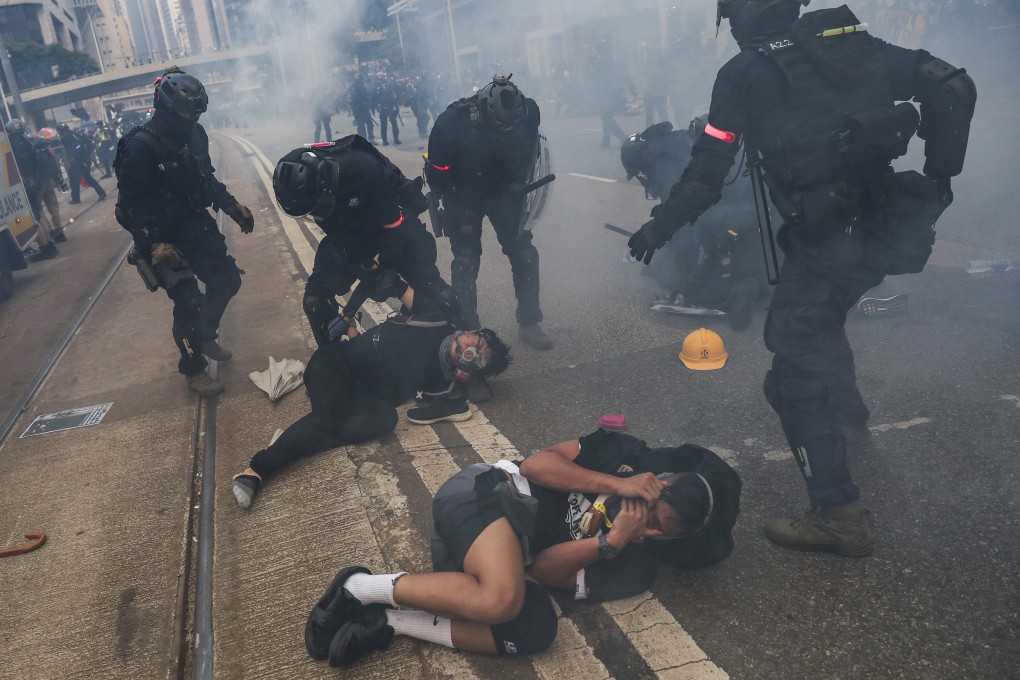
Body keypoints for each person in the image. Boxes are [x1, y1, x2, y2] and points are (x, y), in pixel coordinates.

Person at [626, 0, 975, 556]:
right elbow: (953, 87)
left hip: (826, 237)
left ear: (745, 14)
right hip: (884, 226)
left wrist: (657, 227)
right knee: (822, 320)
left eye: (733, 16)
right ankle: (852, 424)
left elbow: (707, 173)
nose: (733, 29)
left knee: (792, 365)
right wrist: (939, 180)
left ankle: (838, 514)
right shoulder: (850, 44)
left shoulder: (744, 73)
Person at [303, 427, 740, 667]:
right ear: (658, 483)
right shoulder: (625, 455)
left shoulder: (639, 566)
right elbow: (536, 464)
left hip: (485, 566)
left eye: (666, 534)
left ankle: (392, 622)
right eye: (654, 514)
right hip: (486, 498)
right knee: (501, 598)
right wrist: (617, 483)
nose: (651, 531)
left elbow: (548, 572)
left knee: (533, 628)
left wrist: (610, 542)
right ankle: (357, 588)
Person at [229, 284, 511, 509]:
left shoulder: (443, 381)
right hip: (335, 365)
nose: (470, 351)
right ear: (471, 331)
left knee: (385, 420)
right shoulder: (434, 317)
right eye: (477, 342)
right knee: (329, 419)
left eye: (478, 359)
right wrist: (353, 313)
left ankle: (296, 439)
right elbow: (392, 282)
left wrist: (469, 377)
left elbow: (474, 396)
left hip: (362, 398)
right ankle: (256, 470)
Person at [114, 66, 255, 397]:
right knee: (189, 302)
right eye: (186, 115)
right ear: (164, 108)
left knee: (227, 279)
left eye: (196, 115)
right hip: (161, 236)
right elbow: (129, 207)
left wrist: (232, 206)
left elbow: (206, 178)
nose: (191, 121)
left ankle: (206, 335)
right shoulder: (139, 147)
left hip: (195, 223)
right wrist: (153, 243)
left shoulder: (195, 133)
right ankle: (193, 367)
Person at [273, 134, 460, 348]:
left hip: (392, 222)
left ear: (325, 182)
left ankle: (464, 336)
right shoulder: (306, 187)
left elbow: (394, 231)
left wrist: (388, 277)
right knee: (315, 301)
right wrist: (361, 265)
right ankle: (338, 363)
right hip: (351, 230)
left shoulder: (363, 169)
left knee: (436, 292)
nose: (316, 212)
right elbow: (337, 234)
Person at [426, 74, 553, 350]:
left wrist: (519, 187)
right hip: (463, 197)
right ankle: (467, 332)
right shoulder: (452, 123)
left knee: (525, 254)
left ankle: (530, 323)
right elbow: (435, 174)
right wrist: (449, 202)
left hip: (505, 193)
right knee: (466, 261)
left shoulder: (529, 112)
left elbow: (534, 153)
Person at [621, 118, 764, 330]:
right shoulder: (674, 142)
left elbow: (682, 216)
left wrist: (661, 243)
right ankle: (756, 283)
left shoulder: (663, 164)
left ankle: (710, 293)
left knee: (698, 249)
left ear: (640, 162)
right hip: (752, 204)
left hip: (723, 209)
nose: (642, 178)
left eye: (639, 174)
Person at [7, 119, 59, 261]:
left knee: (34, 218)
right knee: (38, 214)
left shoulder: (12, 143)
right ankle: (50, 245)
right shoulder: (29, 139)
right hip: (36, 180)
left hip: (24, 182)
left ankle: (45, 249)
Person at [57, 123, 107, 204]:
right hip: (84, 160)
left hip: (76, 162)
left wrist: (73, 160)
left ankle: (76, 198)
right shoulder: (75, 134)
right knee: (87, 178)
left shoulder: (66, 137)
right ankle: (101, 192)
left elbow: (70, 151)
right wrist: (87, 156)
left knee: (74, 180)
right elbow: (88, 144)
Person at [374, 74, 401, 146]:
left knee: (384, 125)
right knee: (393, 124)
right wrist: (396, 107)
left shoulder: (377, 87)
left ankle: (385, 141)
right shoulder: (388, 86)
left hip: (384, 108)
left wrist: (377, 107)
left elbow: (376, 99)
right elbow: (393, 97)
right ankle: (395, 139)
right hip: (389, 107)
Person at [349, 75, 375, 143]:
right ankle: (367, 139)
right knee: (364, 125)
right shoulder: (357, 88)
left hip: (362, 109)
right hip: (359, 110)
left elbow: (366, 97)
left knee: (364, 125)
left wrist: (367, 103)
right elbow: (354, 100)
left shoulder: (356, 88)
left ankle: (366, 140)